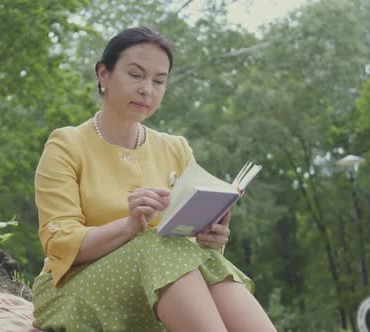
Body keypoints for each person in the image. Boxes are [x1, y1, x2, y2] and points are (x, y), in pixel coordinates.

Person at [31, 26, 276, 332]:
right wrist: (130, 226)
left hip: (159, 288)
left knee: (194, 258)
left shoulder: (176, 148)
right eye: (136, 75)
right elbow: (59, 243)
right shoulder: (66, 145)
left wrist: (210, 240)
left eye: (159, 81)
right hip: (70, 290)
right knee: (154, 245)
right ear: (104, 75)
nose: (148, 89)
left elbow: (188, 253)